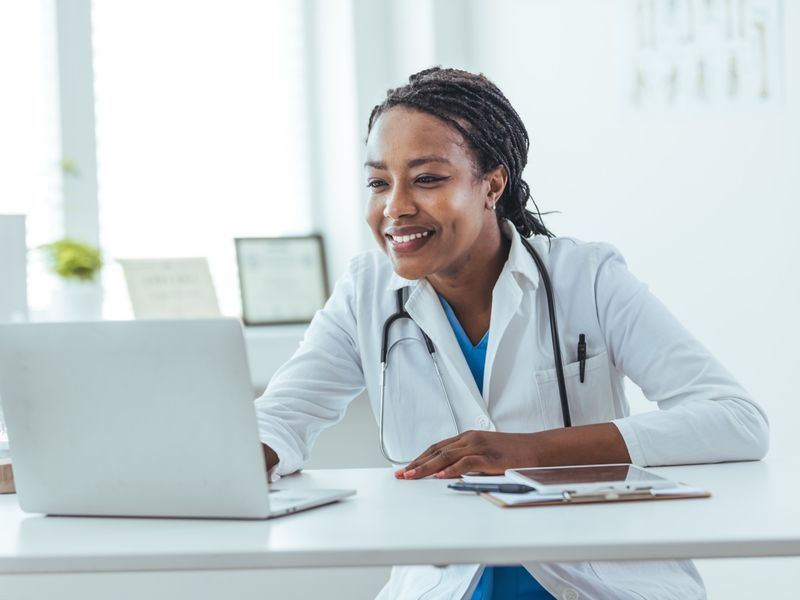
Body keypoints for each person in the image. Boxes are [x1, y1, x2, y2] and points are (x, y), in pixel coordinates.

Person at [254, 67, 769, 599]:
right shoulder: (366, 294)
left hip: (597, 586)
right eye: (379, 182)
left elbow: (736, 420)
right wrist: (236, 461)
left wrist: (534, 450)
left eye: (428, 179)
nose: (396, 206)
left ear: (492, 184)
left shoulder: (587, 278)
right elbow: (281, 418)